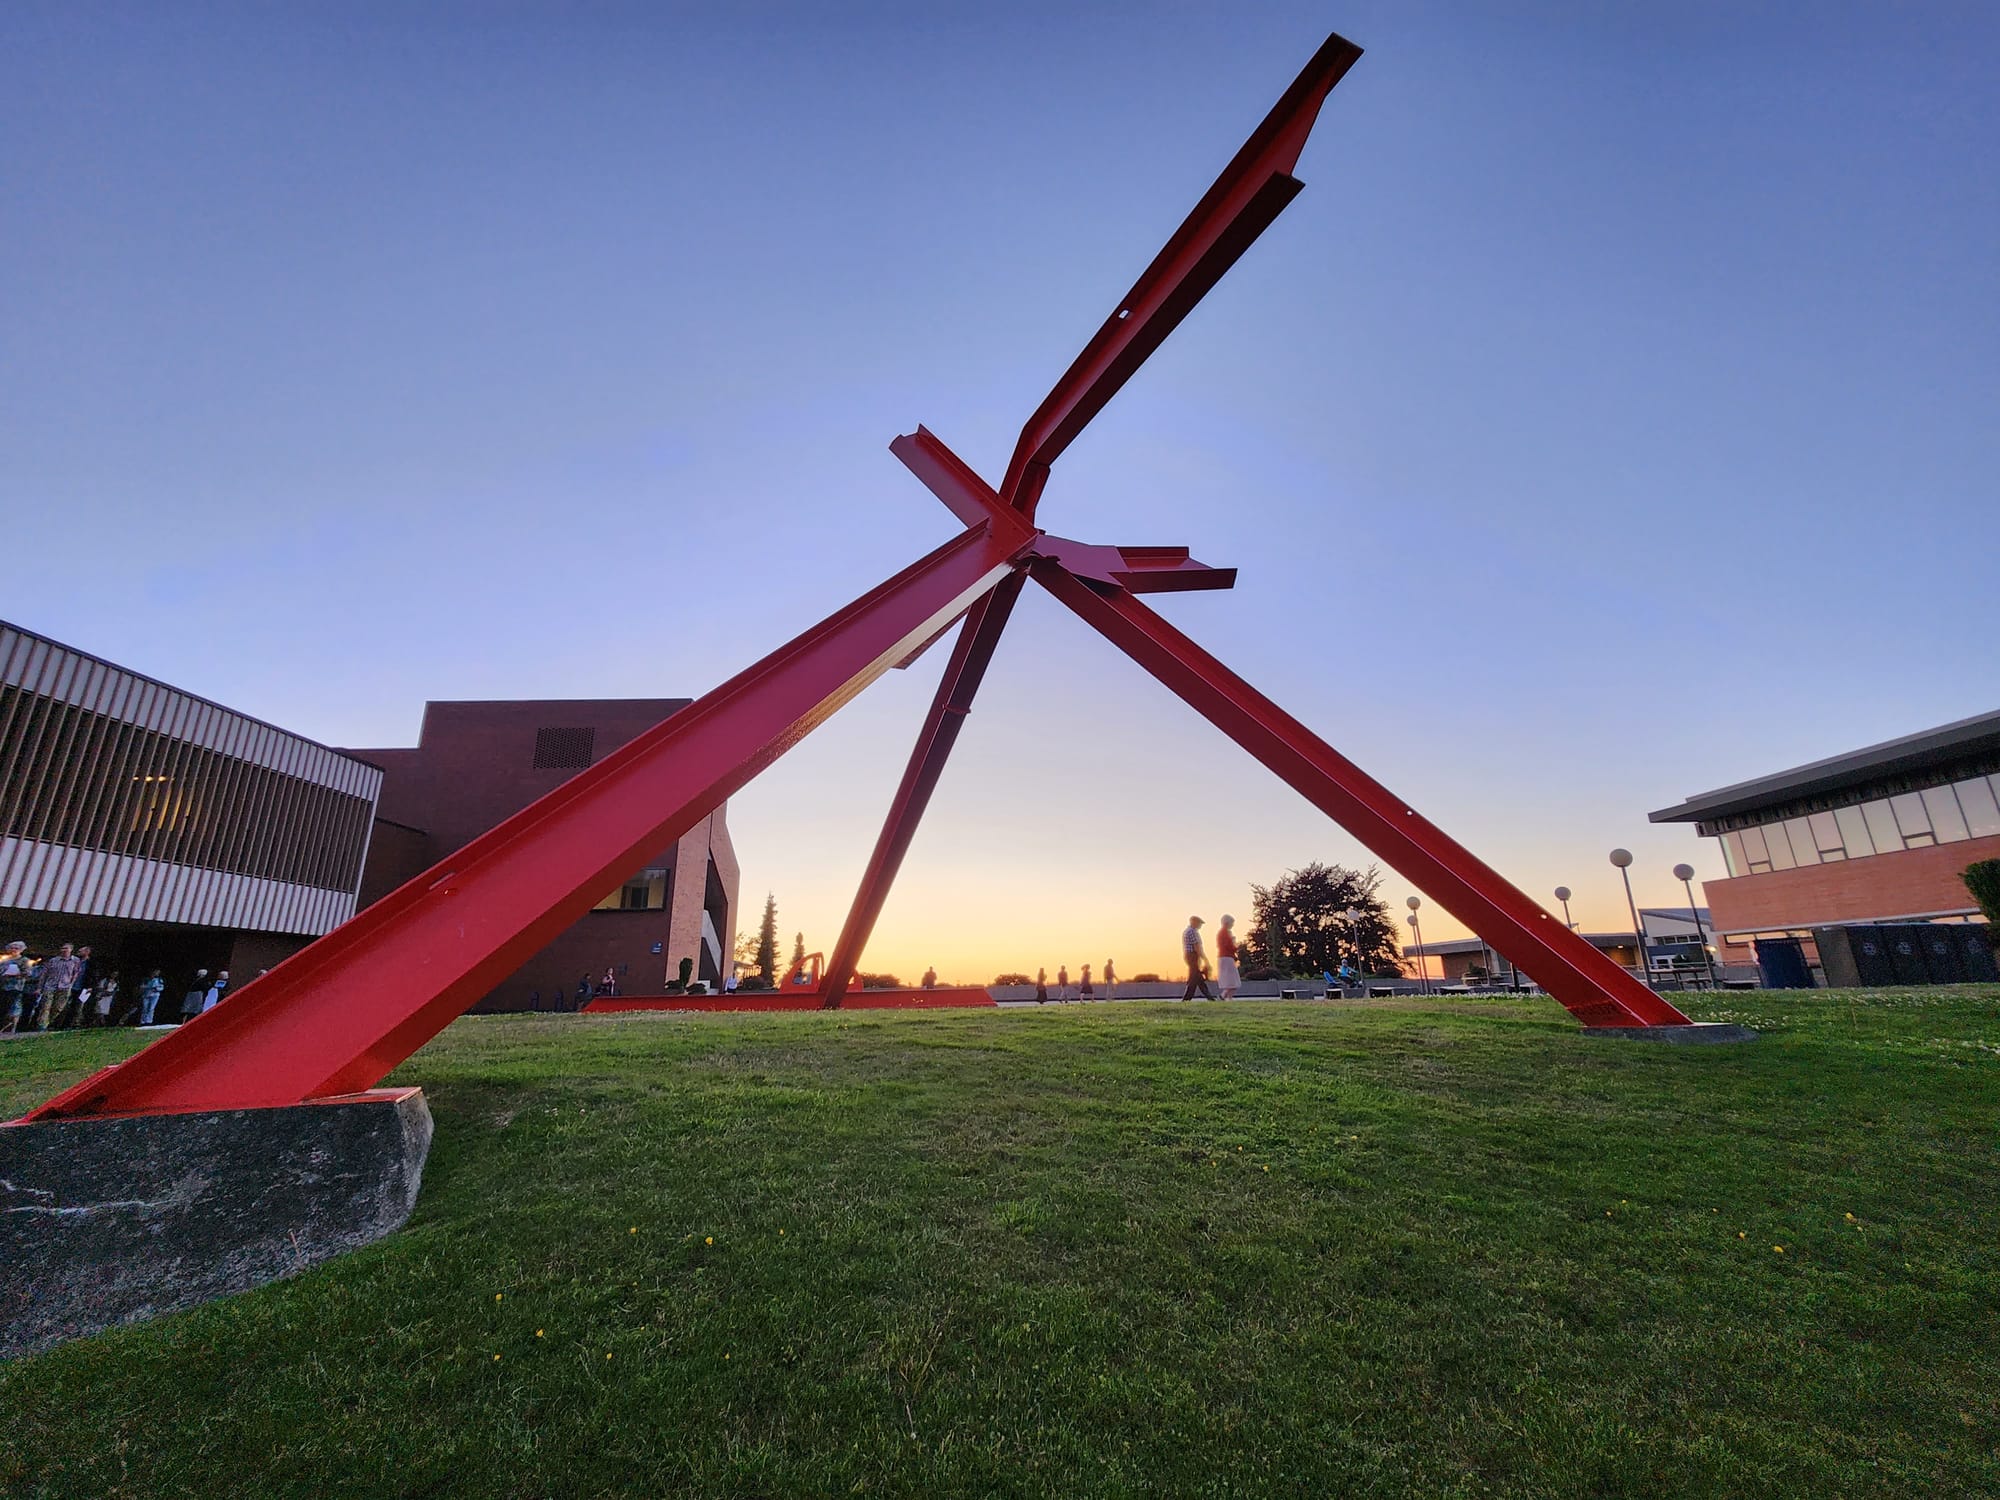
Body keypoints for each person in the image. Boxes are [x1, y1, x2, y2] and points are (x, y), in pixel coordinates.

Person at [36, 943, 82, 1031]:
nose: (64, 950)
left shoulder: (75, 961)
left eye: (66, 948)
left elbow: (75, 973)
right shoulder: (53, 960)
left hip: (65, 986)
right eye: (62, 948)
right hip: (50, 986)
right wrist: (39, 987)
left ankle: (48, 1021)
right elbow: (45, 974)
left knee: (58, 1008)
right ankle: (42, 1026)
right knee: (46, 1006)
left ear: (71, 950)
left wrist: (71, 984)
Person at [1181, 916, 1215, 1002]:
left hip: (1189, 956)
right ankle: (1187, 999)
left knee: (1197, 978)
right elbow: (1197, 947)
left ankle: (1209, 997)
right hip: (1193, 956)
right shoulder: (1192, 932)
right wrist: (1205, 960)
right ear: (1194, 922)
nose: (1200, 925)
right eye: (1200, 923)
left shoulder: (1187, 931)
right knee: (1194, 978)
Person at [1, 942, 28, 1033]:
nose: (13, 950)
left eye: (16, 948)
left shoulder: (24, 960)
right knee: (2, 1007)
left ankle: (10, 1025)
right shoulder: (5, 960)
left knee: (10, 1007)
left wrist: (16, 974)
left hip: (15, 987)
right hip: (4, 986)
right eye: (12, 948)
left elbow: (28, 973)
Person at [1216, 914, 1241, 1001]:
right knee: (1232, 979)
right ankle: (1223, 996)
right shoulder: (1225, 933)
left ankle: (1229, 998)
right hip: (1227, 957)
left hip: (1224, 957)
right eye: (1232, 923)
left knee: (1230, 979)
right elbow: (1229, 946)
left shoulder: (1222, 933)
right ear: (1227, 923)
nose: (1232, 925)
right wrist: (1235, 946)